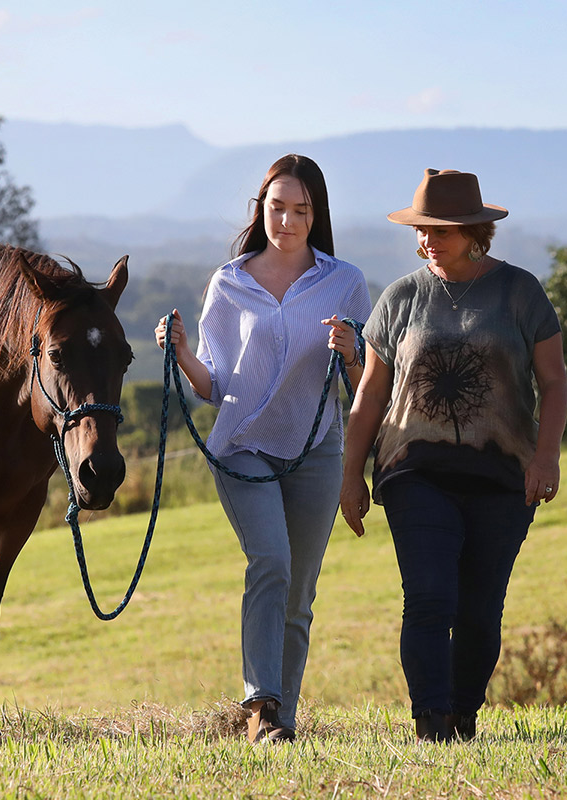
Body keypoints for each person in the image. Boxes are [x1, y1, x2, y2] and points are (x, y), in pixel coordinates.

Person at [339, 169, 567, 742]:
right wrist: (350, 474)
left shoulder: (520, 293)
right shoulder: (400, 298)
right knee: (429, 595)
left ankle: (463, 714)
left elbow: (555, 383)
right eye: (421, 229)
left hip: (503, 473)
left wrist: (546, 458)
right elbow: (369, 394)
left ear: (474, 232)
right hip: (414, 469)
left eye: (441, 229)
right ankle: (431, 721)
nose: (428, 240)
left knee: (480, 608)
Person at [154, 154, 369, 744]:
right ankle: (261, 703)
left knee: (300, 592)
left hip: (316, 448)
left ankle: (282, 724)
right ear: (262, 208)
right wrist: (179, 352)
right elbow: (213, 385)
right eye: (278, 207)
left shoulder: (344, 281)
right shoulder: (231, 282)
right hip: (243, 445)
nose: (288, 221)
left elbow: (364, 386)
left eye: (301, 210)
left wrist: (352, 351)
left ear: (316, 214)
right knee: (270, 560)